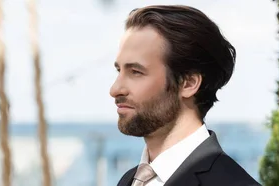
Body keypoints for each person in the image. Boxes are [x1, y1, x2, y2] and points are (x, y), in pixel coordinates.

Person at [111, 5, 261, 186]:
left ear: (189, 84)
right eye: (119, 70)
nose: (115, 89)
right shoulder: (129, 180)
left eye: (136, 72)